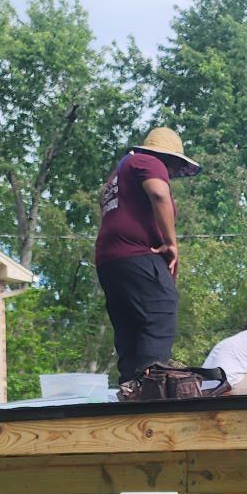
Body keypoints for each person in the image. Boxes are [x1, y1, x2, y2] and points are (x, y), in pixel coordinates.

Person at [94, 126, 201, 382]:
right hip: (137, 254)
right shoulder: (148, 161)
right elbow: (159, 194)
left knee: (130, 328)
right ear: (170, 159)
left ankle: (130, 388)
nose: (172, 175)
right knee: (160, 312)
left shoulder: (119, 175)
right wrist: (170, 243)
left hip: (111, 262)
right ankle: (149, 389)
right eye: (174, 168)